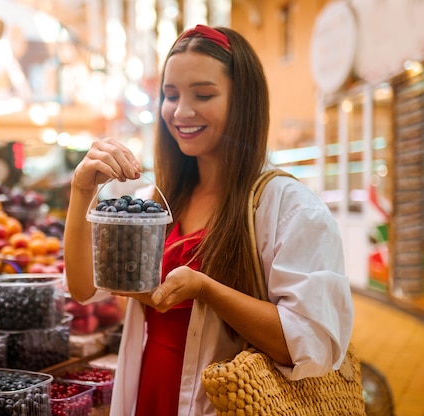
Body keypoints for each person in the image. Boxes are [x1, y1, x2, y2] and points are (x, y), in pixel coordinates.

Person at [63, 24, 354, 415]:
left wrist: (205, 289)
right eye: (170, 95)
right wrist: (81, 190)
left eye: (203, 94)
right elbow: (84, 288)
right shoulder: (157, 202)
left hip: (227, 402)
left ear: (243, 102)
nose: (181, 111)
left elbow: (311, 342)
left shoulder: (289, 208)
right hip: (150, 389)